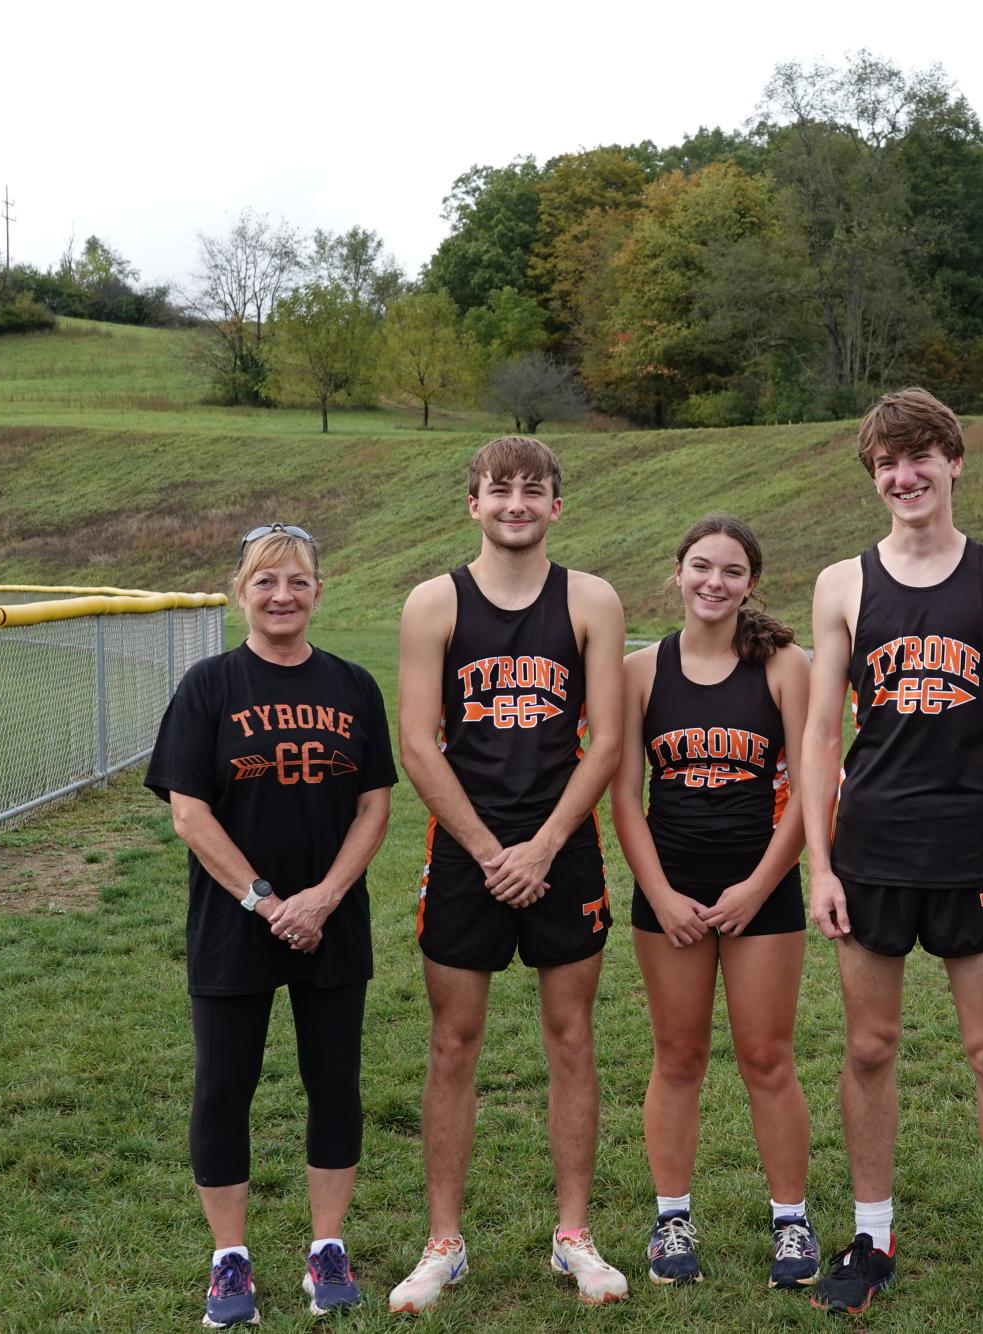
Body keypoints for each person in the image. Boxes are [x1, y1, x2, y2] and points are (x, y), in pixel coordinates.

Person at [797, 388, 983, 1330]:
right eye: (884, 465)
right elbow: (822, 731)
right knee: (868, 1047)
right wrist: (819, 866)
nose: (902, 477)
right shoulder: (841, 583)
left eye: (918, 458)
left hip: (970, 851)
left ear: (954, 461)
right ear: (873, 479)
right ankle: (872, 1236)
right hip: (868, 850)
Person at [391, 436, 630, 1311]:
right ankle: (442, 1243)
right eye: (500, 490)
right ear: (474, 504)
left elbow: (606, 739)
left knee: (570, 1039)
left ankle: (573, 1236)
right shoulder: (433, 603)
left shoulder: (591, 599)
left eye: (533, 490)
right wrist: (492, 852)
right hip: (466, 850)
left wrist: (541, 846)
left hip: (562, 847)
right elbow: (417, 742)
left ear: (557, 506)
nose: (516, 503)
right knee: (453, 1044)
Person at [144, 523, 394, 1328]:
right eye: (265, 582)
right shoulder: (209, 685)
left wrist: (320, 898)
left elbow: (374, 804)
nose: (281, 596)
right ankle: (230, 1261)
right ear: (239, 591)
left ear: (320, 591)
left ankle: (327, 1248)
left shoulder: (353, 684)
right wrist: (263, 900)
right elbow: (189, 812)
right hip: (233, 922)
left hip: (332, 921)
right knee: (224, 1087)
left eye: (296, 581)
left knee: (334, 1085)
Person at [609, 514, 818, 1291]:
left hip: (759, 888)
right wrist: (660, 893)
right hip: (670, 895)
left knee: (767, 1057)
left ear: (751, 583)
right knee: (679, 1055)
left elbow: (807, 788)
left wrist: (758, 885)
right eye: (701, 567)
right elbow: (624, 796)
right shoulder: (640, 672)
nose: (713, 582)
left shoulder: (784, 666)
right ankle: (671, 1217)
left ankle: (791, 1223)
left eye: (731, 571)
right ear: (677, 573)